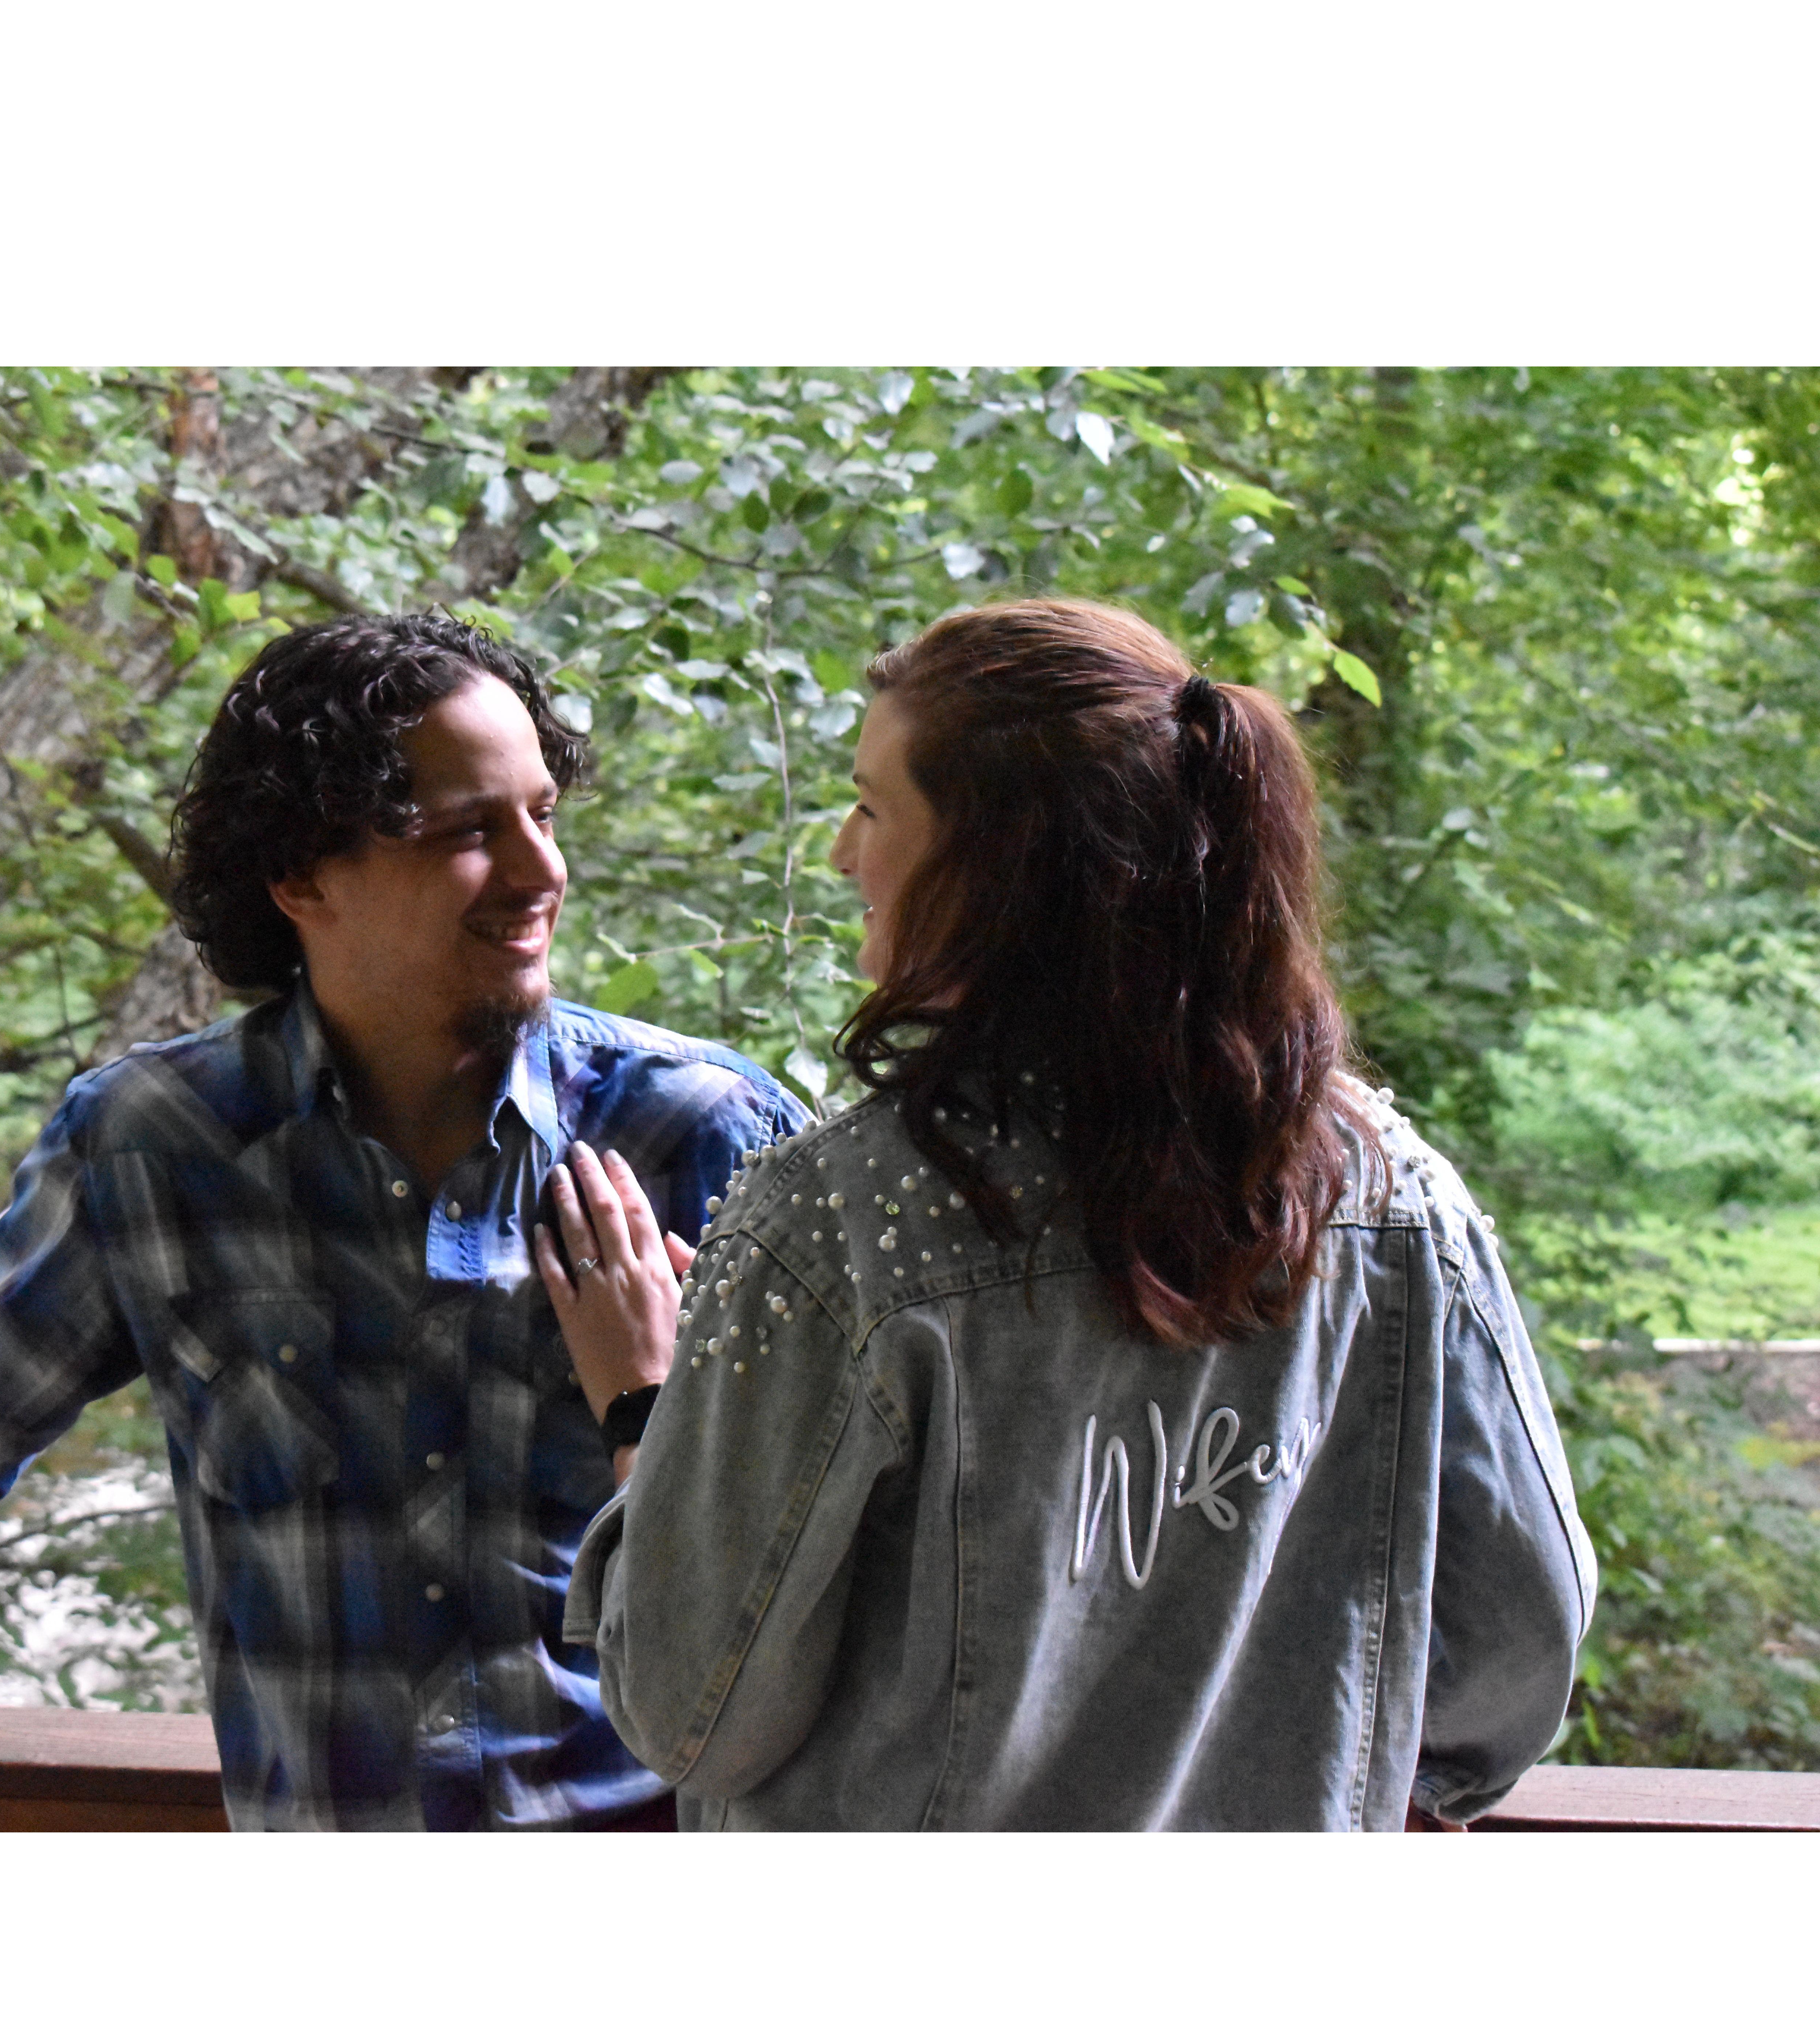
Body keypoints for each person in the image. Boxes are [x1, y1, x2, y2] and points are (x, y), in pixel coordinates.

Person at [0, 612, 808, 1832]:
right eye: (466, 831)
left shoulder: (702, 1133)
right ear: (302, 878)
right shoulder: (152, 1148)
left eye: (543, 815)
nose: (538, 870)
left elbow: (852, 1557)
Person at [546, 597, 1596, 1830]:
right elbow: (1515, 1662)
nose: (840, 853)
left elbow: (689, 1712)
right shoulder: (1398, 1200)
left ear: (995, 867)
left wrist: (646, 1410)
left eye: (873, 808)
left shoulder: (838, 1222)